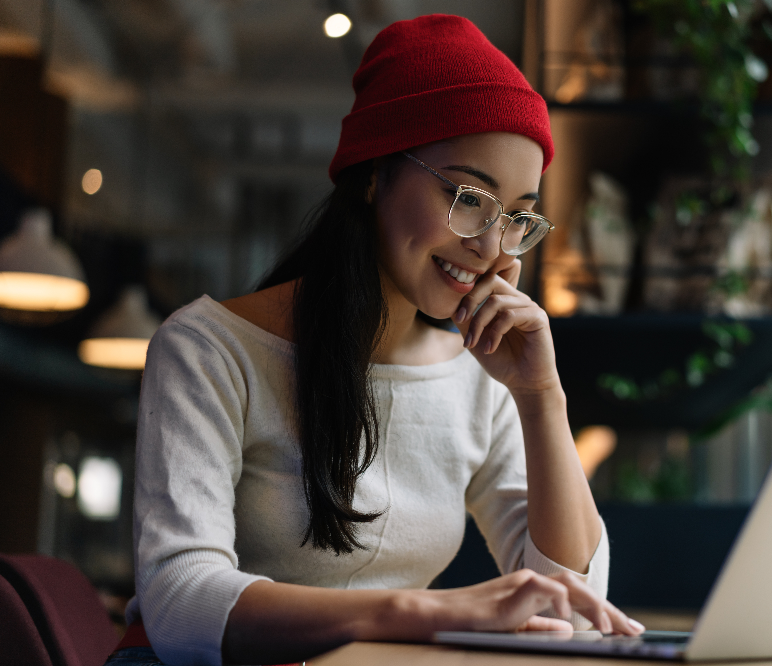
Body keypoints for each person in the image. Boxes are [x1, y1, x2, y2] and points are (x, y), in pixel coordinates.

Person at [105, 14, 643, 666]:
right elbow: (180, 600)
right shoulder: (209, 348)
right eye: (469, 196)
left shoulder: (482, 379)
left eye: (517, 217)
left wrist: (540, 396)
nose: (488, 243)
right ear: (371, 176)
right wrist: (420, 612)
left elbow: (575, 609)